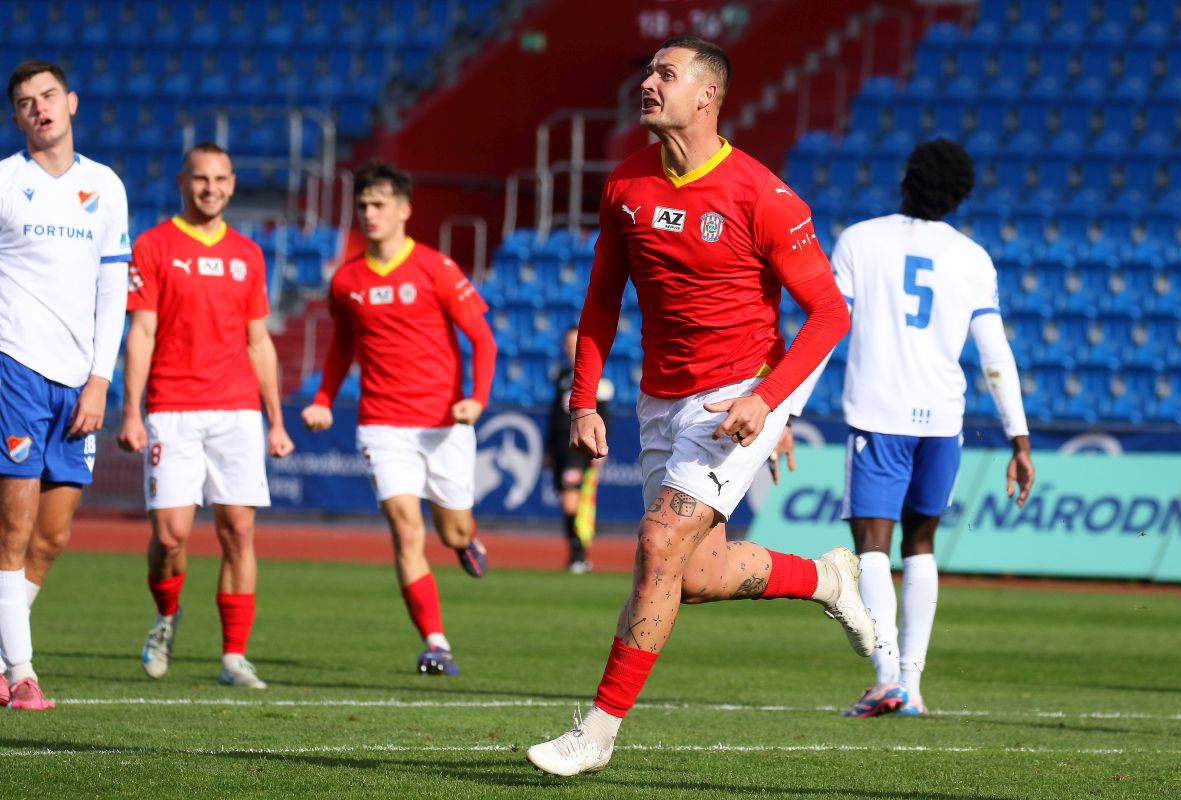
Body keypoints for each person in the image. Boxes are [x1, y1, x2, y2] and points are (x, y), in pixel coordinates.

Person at [526, 36, 872, 777]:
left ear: (707, 95)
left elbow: (831, 314)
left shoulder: (762, 195)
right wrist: (583, 400)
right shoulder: (626, 185)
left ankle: (596, 733)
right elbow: (601, 301)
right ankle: (826, 579)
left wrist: (767, 400)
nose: (648, 84)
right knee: (696, 572)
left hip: (736, 394)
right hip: (659, 398)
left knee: (658, 543)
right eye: (649, 72)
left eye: (666, 73)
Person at [823, 138, 1035, 717]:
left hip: (877, 416)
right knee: (921, 544)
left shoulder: (860, 240)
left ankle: (887, 676)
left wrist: (786, 411)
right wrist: (1019, 439)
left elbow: (827, 329)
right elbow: (995, 356)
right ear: (960, 195)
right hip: (943, 420)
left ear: (906, 179)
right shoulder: (973, 257)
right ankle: (912, 687)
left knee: (872, 545)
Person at [301, 161, 496, 677]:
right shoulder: (346, 280)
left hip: (444, 424)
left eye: (379, 204)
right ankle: (436, 643)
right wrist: (323, 398)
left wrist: (477, 400)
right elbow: (342, 345)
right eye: (363, 205)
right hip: (382, 424)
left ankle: (466, 540)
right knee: (406, 530)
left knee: (451, 531)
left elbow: (483, 339)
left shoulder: (436, 268)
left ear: (404, 210)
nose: (370, 213)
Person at [118, 143, 295, 689]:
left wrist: (276, 420)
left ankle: (233, 657)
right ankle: (166, 617)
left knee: (238, 530)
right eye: (200, 178)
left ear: (233, 184)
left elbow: (259, 342)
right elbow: (141, 332)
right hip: (171, 407)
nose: (210, 188)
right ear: (183, 182)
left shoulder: (249, 254)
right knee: (171, 536)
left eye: (220, 179)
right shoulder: (153, 245)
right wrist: (131, 410)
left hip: (237, 409)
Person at [0, 61, 130, 710]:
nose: (40, 108)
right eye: (27, 102)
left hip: (79, 383)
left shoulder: (105, 186)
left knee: (51, 538)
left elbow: (113, 291)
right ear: (16, 116)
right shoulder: (5, 182)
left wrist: (101, 380)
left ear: (71, 102)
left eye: (48, 95)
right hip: (16, 367)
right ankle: (22, 673)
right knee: (14, 530)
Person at [546, 326, 613, 573]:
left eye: (575, 344)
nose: (570, 349)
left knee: (571, 498)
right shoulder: (562, 375)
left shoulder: (597, 378)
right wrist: (547, 448)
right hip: (559, 447)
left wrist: (601, 447)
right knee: (567, 499)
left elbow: (604, 416)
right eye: (567, 344)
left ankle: (578, 553)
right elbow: (554, 414)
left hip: (578, 447)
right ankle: (575, 553)